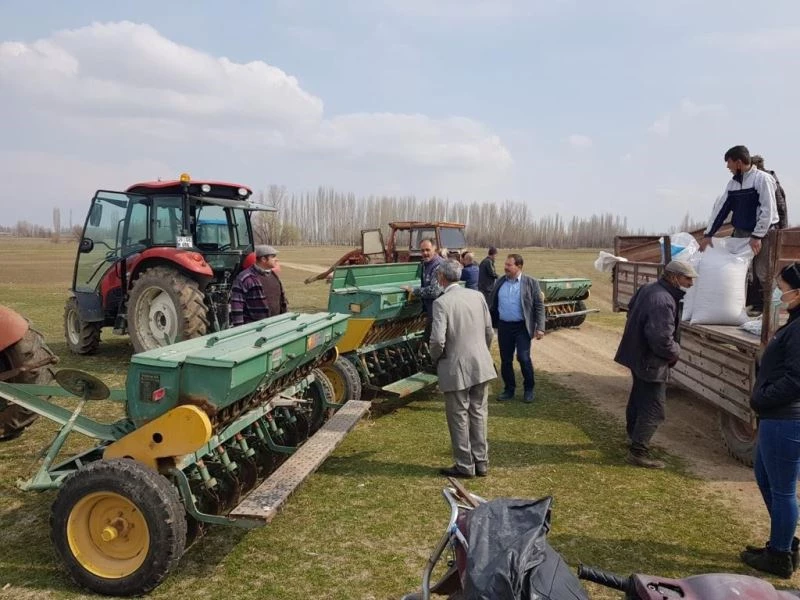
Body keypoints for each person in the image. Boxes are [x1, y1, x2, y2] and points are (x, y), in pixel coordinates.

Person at [740, 262, 800, 578]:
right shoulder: (793, 322)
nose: (778, 292)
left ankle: (780, 556)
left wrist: (762, 398)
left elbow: (796, 379)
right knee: (765, 480)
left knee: (783, 490)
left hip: (786, 420)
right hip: (774, 418)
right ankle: (783, 540)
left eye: (782, 286)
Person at [613, 260, 698, 469]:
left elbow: (631, 310)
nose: (691, 283)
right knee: (654, 407)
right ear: (674, 277)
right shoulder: (663, 300)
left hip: (637, 354)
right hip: (650, 360)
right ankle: (638, 452)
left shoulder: (648, 289)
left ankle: (633, 437)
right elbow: (661, 339)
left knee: (638, 398)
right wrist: (675, 352)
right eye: (688, 278)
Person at [429, 259, 496, 478]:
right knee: (478, 413)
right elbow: (489, 331)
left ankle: (465, 465)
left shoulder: (442, 303)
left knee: (458, 416)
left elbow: (437, 341)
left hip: (456, 367)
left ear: (441, 277)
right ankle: (481, 462)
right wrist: (482, 353)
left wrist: (436, 359)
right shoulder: (477, 296)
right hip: (481, 364)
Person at [699, 145, 778, 313]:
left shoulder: (761, 179)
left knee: (763, 272)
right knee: (742, 271)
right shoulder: (733, 184)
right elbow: (721, 210)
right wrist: (708, 234)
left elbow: (768, 209)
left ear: (739, 163)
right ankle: (747, 307)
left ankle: (770, 313)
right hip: (741, 233)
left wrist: (757, 236)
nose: (728, 167)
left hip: (763, 233)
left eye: (729, 163)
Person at [488, 254, 545, 403]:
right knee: (505, 360)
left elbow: (539, 306)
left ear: (519, 267)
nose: (505, 267)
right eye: (505, 264)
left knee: (523, 358)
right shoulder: (500, 281)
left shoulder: (531, 283)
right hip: (504, 326)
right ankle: (509, 389)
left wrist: (540, 327)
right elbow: (492, 304)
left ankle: (528, 389)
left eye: (509, 265)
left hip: (522, 327)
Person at [229, 244, 287, 326]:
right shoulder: (244, 278)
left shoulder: (274, 275)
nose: (276, 259)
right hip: (254, 329)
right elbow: (236, 306)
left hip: (276, 325)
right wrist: (240, 329)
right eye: (273, 256)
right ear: (263, 259)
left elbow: (282, 300)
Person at [403, 238, 444, 339]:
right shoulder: (426, 265)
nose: (425, 253)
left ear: (435, 249)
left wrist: (414, 291)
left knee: (434, 341)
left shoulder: (438, 266)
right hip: (432, 311)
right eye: (422, 250)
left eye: (428, 250)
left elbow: (434, 291)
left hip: (439, 313)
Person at [752, 155, 788, 230]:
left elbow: (781, 207)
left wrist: (783, 230)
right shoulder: (757, 180)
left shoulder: (768, 181)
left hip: (770, 227)